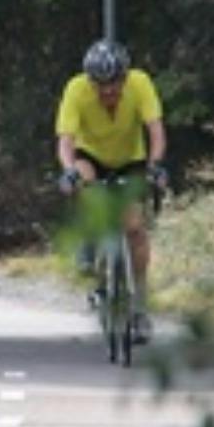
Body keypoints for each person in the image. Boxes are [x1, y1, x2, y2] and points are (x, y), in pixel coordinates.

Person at [54, 39, 169, 342]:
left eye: (114, 83)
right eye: (100, 85)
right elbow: (66, 140)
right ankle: (90, 245)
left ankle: (140, 308)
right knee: (83, 179)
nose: (107, 91)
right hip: (90, 156)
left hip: (130, 160)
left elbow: (155, 129)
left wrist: (155, 164)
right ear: (89, 81)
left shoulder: (140, 84)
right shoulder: (76, 89)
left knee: (134, 229)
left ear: (125, 77)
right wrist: (68, 170)